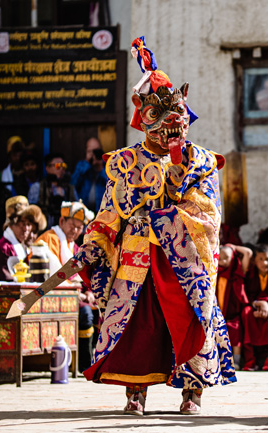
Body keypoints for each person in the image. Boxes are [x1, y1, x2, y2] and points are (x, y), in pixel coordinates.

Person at [71, 37, 236, 415]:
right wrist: (94, 241)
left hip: (184, 257)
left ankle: (192, 393)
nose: (169, 129)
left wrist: (168, 216)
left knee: (191, 319)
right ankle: (135, 393)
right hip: (137, 254)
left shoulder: (201, 161)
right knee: (137, 326)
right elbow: (109, 211)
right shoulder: (126, 162)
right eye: (160, 121)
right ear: (145, 121)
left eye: (175, 121)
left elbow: (208, 212)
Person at [34, 201, 95, 371]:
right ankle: (84, 364)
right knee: (86, 313)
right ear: (61, 221)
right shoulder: (48, 239)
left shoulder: (74, 246)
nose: (75, 230)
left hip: (74, 294)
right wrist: (79, 294)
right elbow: (52, 276)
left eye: (79, 227)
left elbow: (82, 275)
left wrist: (89, 292)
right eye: (72, 225)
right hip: (53, 296)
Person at [241, 245, 268, 371]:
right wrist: (257, 304)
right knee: (246, 312)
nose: (264, 263)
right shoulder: (250, 273)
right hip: (253, 306)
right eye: (260, 259)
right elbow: (245, 294)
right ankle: (250, 359)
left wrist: (266, 303)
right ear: (254, 260)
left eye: (267, 259)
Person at [0, 196, 46, 281]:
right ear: (12, 224)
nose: (26, 229)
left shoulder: (25, 247)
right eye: (22, 223)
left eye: (29, 224)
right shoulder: (3, 248)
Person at [217, 244, 252, 357]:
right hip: (217, 314)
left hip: (233, 315)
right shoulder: (214, 272)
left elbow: (247, 253)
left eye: (226, 258)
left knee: (235, 330)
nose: (222, 261)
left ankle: (236, 360)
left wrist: (232, 247)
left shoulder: (237, 271)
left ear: (232, 257)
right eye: (219, 258)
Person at [29, 153, 78, 228]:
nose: (61, 169)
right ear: (47, 168)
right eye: (58, 166)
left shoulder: (70, 189)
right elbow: (32, 213)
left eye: (63, 166)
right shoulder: (37, 187)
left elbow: (78, 211)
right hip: (44, 229)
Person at [71, 137, 108, 210]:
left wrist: (100, 167)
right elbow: (73, 184)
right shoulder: (82, 166)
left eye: (96, 151)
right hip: (83, 211)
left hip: (102, 212)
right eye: (90, 151)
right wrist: (88, 163)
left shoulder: (107, 166)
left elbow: (112, 185)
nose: (93, 154)